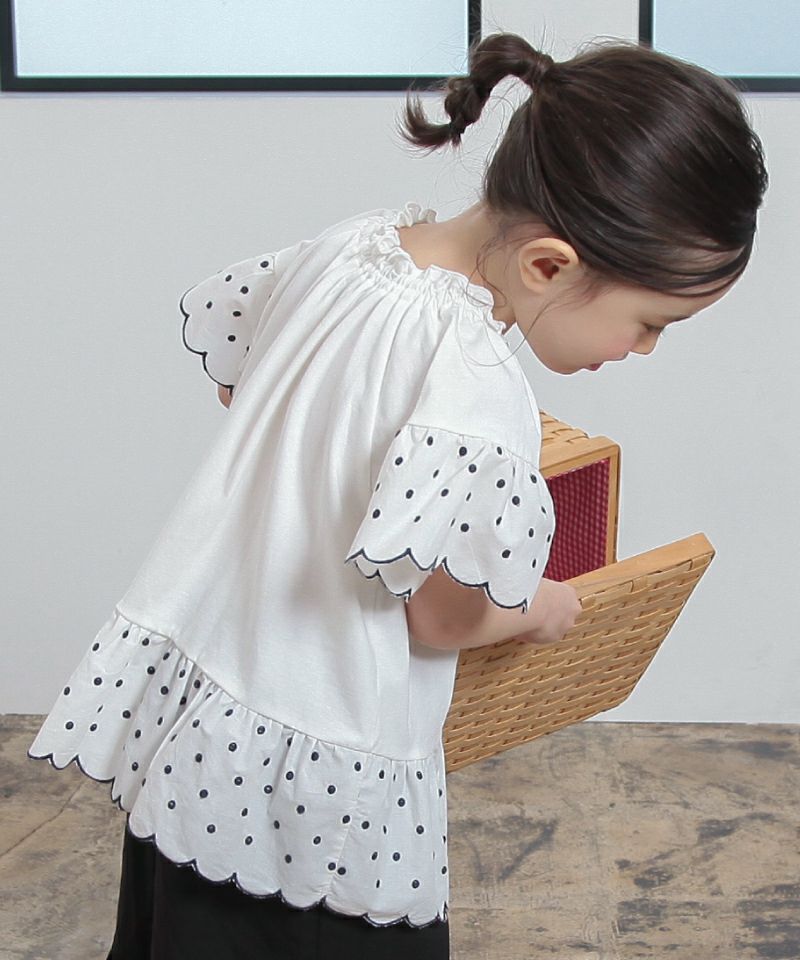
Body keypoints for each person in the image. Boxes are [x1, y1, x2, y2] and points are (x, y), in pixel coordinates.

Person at [28, 29, 767, 960]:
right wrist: (539, 608)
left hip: (205, 741)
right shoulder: (478, 386)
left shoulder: (355, 248)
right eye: (652, 322)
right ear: (549, 265)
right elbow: (444, 618)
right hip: (320, 787)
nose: (646, 349)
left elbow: (242, 388)